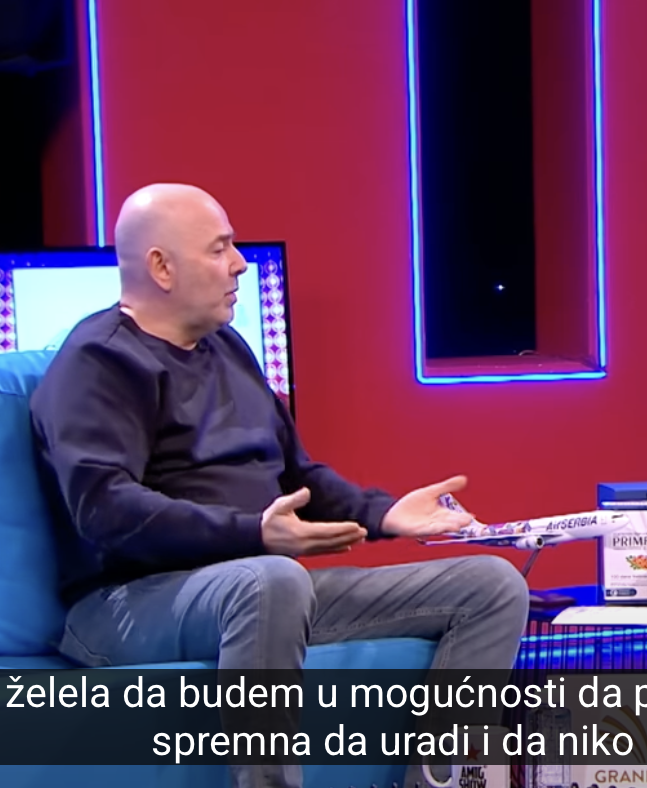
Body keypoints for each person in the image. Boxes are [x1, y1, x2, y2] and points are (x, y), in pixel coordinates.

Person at [30, 183, 530, 788]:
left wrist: (383, 513)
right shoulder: (100, 361)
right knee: (271, 580)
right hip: (127, 605)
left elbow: (298, 475)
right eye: (219, 248)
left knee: (491, 585)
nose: (240, 263)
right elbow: (104, 509)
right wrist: (254, 535)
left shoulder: (227, 347)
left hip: (257, 588)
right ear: (161, 267)